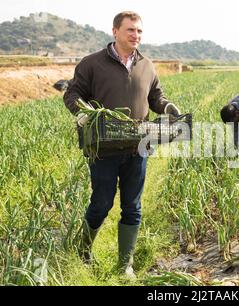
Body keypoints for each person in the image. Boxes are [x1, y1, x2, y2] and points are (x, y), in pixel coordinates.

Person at [63, 11, 181, 278]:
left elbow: (155, 96)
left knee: (132, 206)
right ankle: (83, 250)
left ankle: (124, 265)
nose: (136, 35)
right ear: (115, 31)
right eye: (130, 30)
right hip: (103, 148)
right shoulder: (92, 64)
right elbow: (73, 93)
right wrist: (81, 112)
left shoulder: (147, 65)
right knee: (101, 203)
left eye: (139, 31)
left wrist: (166, 106)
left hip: (138, 147)